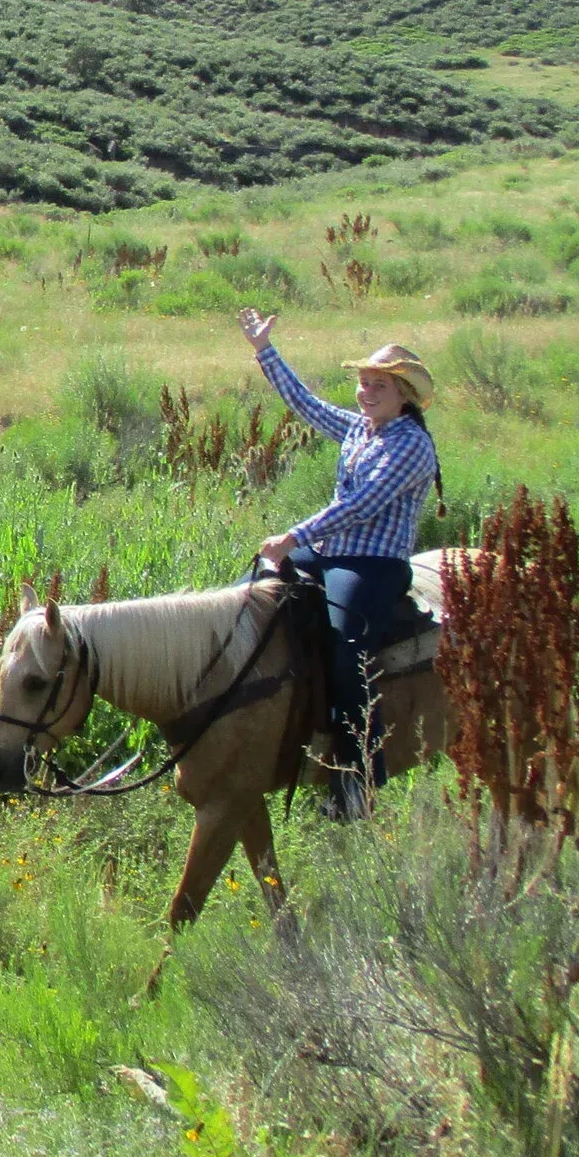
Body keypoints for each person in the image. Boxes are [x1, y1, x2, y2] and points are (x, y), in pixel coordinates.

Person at [240, 309, 441, 821]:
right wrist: (265, 350)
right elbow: (305, 405)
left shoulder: (412, 446)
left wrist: (293, 537)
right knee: (254, 586)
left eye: (378, 384)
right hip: (331, 552)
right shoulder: (362, 428)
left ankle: (357, 782)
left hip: (371, 564)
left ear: (404, 396)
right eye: (364, 382)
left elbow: (362, 505)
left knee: (348, 650)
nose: (366, 391)